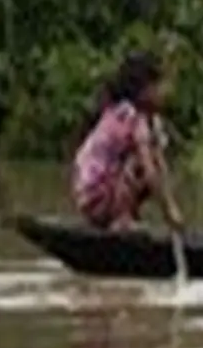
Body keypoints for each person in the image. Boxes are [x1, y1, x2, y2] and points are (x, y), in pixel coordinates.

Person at [72, 51, 183, 231]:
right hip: (94, 196)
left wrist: (172, 208)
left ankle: (126, 214)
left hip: (108, 190)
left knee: (156, 169)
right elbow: (150, 171)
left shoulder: (151, 120)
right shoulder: (129, 116)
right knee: (140, 165)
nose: (166, 92)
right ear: (145, 89)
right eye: (160, 86)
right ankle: (121, 218)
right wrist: (169, 211)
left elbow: (161, 168)